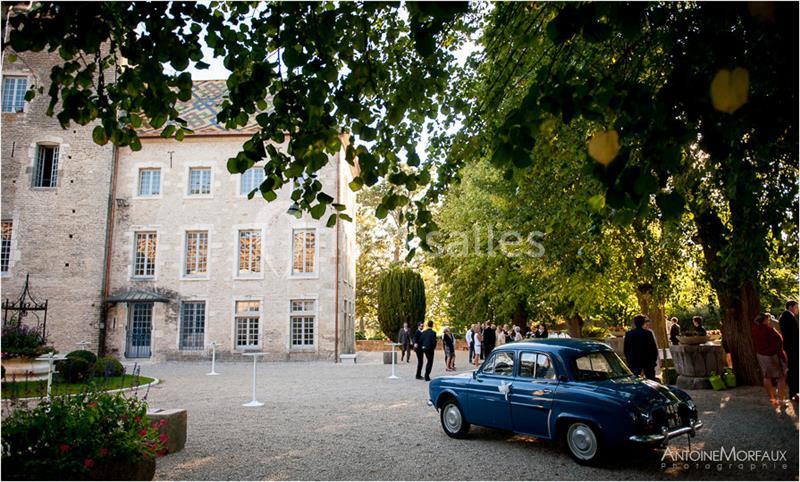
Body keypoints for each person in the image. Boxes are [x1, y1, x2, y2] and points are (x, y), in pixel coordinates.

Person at [752, 312, 789, 406]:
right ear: (764, 320)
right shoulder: (769, 329)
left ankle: (772, 399)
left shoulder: (755, 329)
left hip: (761, 355)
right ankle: (781, 400)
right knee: (781, 377)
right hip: (773, 355)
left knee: (766, 376)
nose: (769, 321)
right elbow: (780, 340)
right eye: (768, 319)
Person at [624, 314, 658, 380]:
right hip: (648, 362)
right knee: (651, 381)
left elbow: (626, 349)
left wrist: (629, 361)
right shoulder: (648, 333)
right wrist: (653, 361)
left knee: (635, 381)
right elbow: (653, 349)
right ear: (643, 323)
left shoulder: (629, 334)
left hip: (634, 362)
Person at [778, 300, 798, 401]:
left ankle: (794, 392)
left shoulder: (785, 316)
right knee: (793, 369)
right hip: (792, 348)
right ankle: (793, 393)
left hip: (791, 347)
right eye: (796, 307)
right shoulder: (787, 317)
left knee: (794, 369)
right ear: (790, 307)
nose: (797, 309)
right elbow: (792, 334)